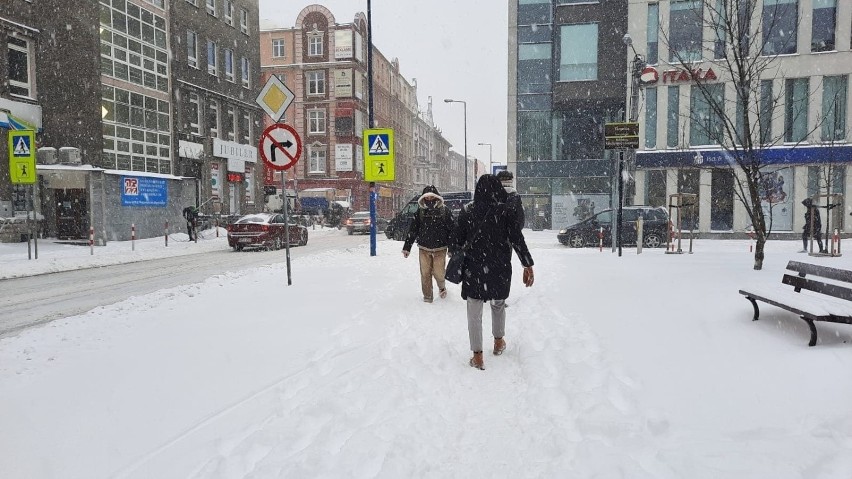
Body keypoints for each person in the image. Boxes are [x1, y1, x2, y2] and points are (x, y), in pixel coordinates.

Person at [455, 175, 534, 370]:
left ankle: (477, 356)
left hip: (474, 269)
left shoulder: (467, 211)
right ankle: (499, 342)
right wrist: (527, 264)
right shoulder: (506, 211)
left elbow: (456, 240)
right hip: (499, 267)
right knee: (498, 304)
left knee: (474, 310)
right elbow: (517, 238)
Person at [402, 186, 455, 303]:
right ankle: (427, 297)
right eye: (427, 196)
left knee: (439, 273)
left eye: (431, 196)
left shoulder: (445, 211)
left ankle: (441, 287)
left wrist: (452, 248)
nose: (429, 198)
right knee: (425, 273)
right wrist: (407, 247)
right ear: (423, 197)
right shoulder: (420, 212)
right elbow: (413, 230)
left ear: (436, 196)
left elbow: (452, 231)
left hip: (440, 248)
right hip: (424, 248)